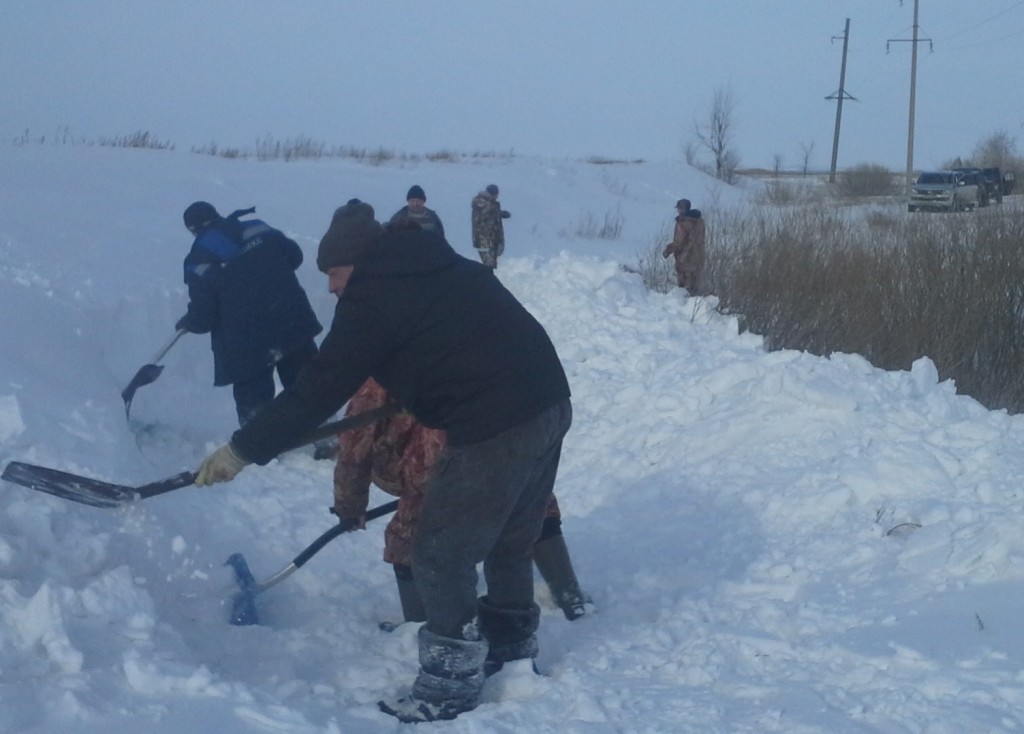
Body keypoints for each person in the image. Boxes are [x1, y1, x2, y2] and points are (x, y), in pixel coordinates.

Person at [193, 199, 573, 723]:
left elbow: (316, 389)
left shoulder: (374, 296)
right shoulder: (437, 263)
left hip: (494, 421)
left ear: (357, 262)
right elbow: (463, 335)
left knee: (438, 553)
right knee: (509, 539)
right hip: (549, 401)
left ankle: (448, 686)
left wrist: (242, 449)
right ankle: (511, 654)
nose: (331, 287)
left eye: (334, 273)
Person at [332, 377, 591, 627]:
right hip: (511, 429)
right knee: (530, 503)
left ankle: (423, 629)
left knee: (409, 536)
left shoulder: (381, 375)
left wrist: (350, 506)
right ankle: (569, 595)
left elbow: (355, 441)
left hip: (441, 458)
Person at [177, 202, 322, 427]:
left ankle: (259, 441)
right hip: (291, 321)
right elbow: (295, 256)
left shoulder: (198, 259)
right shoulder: (257, 228)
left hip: (246, 342)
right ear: (217, 215)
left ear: (192, 230)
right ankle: (326, 434)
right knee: (308, 387)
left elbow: (204, 317)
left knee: (255, 404)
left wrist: (189, 322)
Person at [662, 198, 706, 293]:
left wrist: (668, 251)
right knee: (695, 287)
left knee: (683, 290)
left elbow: (678, 242)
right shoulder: (699, 220)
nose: (678, 211)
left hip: (685, 258)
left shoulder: (682, 223)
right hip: (698, 257)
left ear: (683, 209)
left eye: (679, 208)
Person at [471, 184, 511, 269]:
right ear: (493, 194)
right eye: (496, 195)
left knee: (490, 266)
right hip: (485, 241)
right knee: (488, 267)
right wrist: (499, 213)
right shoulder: (486, 205)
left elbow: (489, 216)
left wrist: (499, 214)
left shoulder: (486, 205)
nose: (497, 197)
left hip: (487, 241)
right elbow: (488, 214)